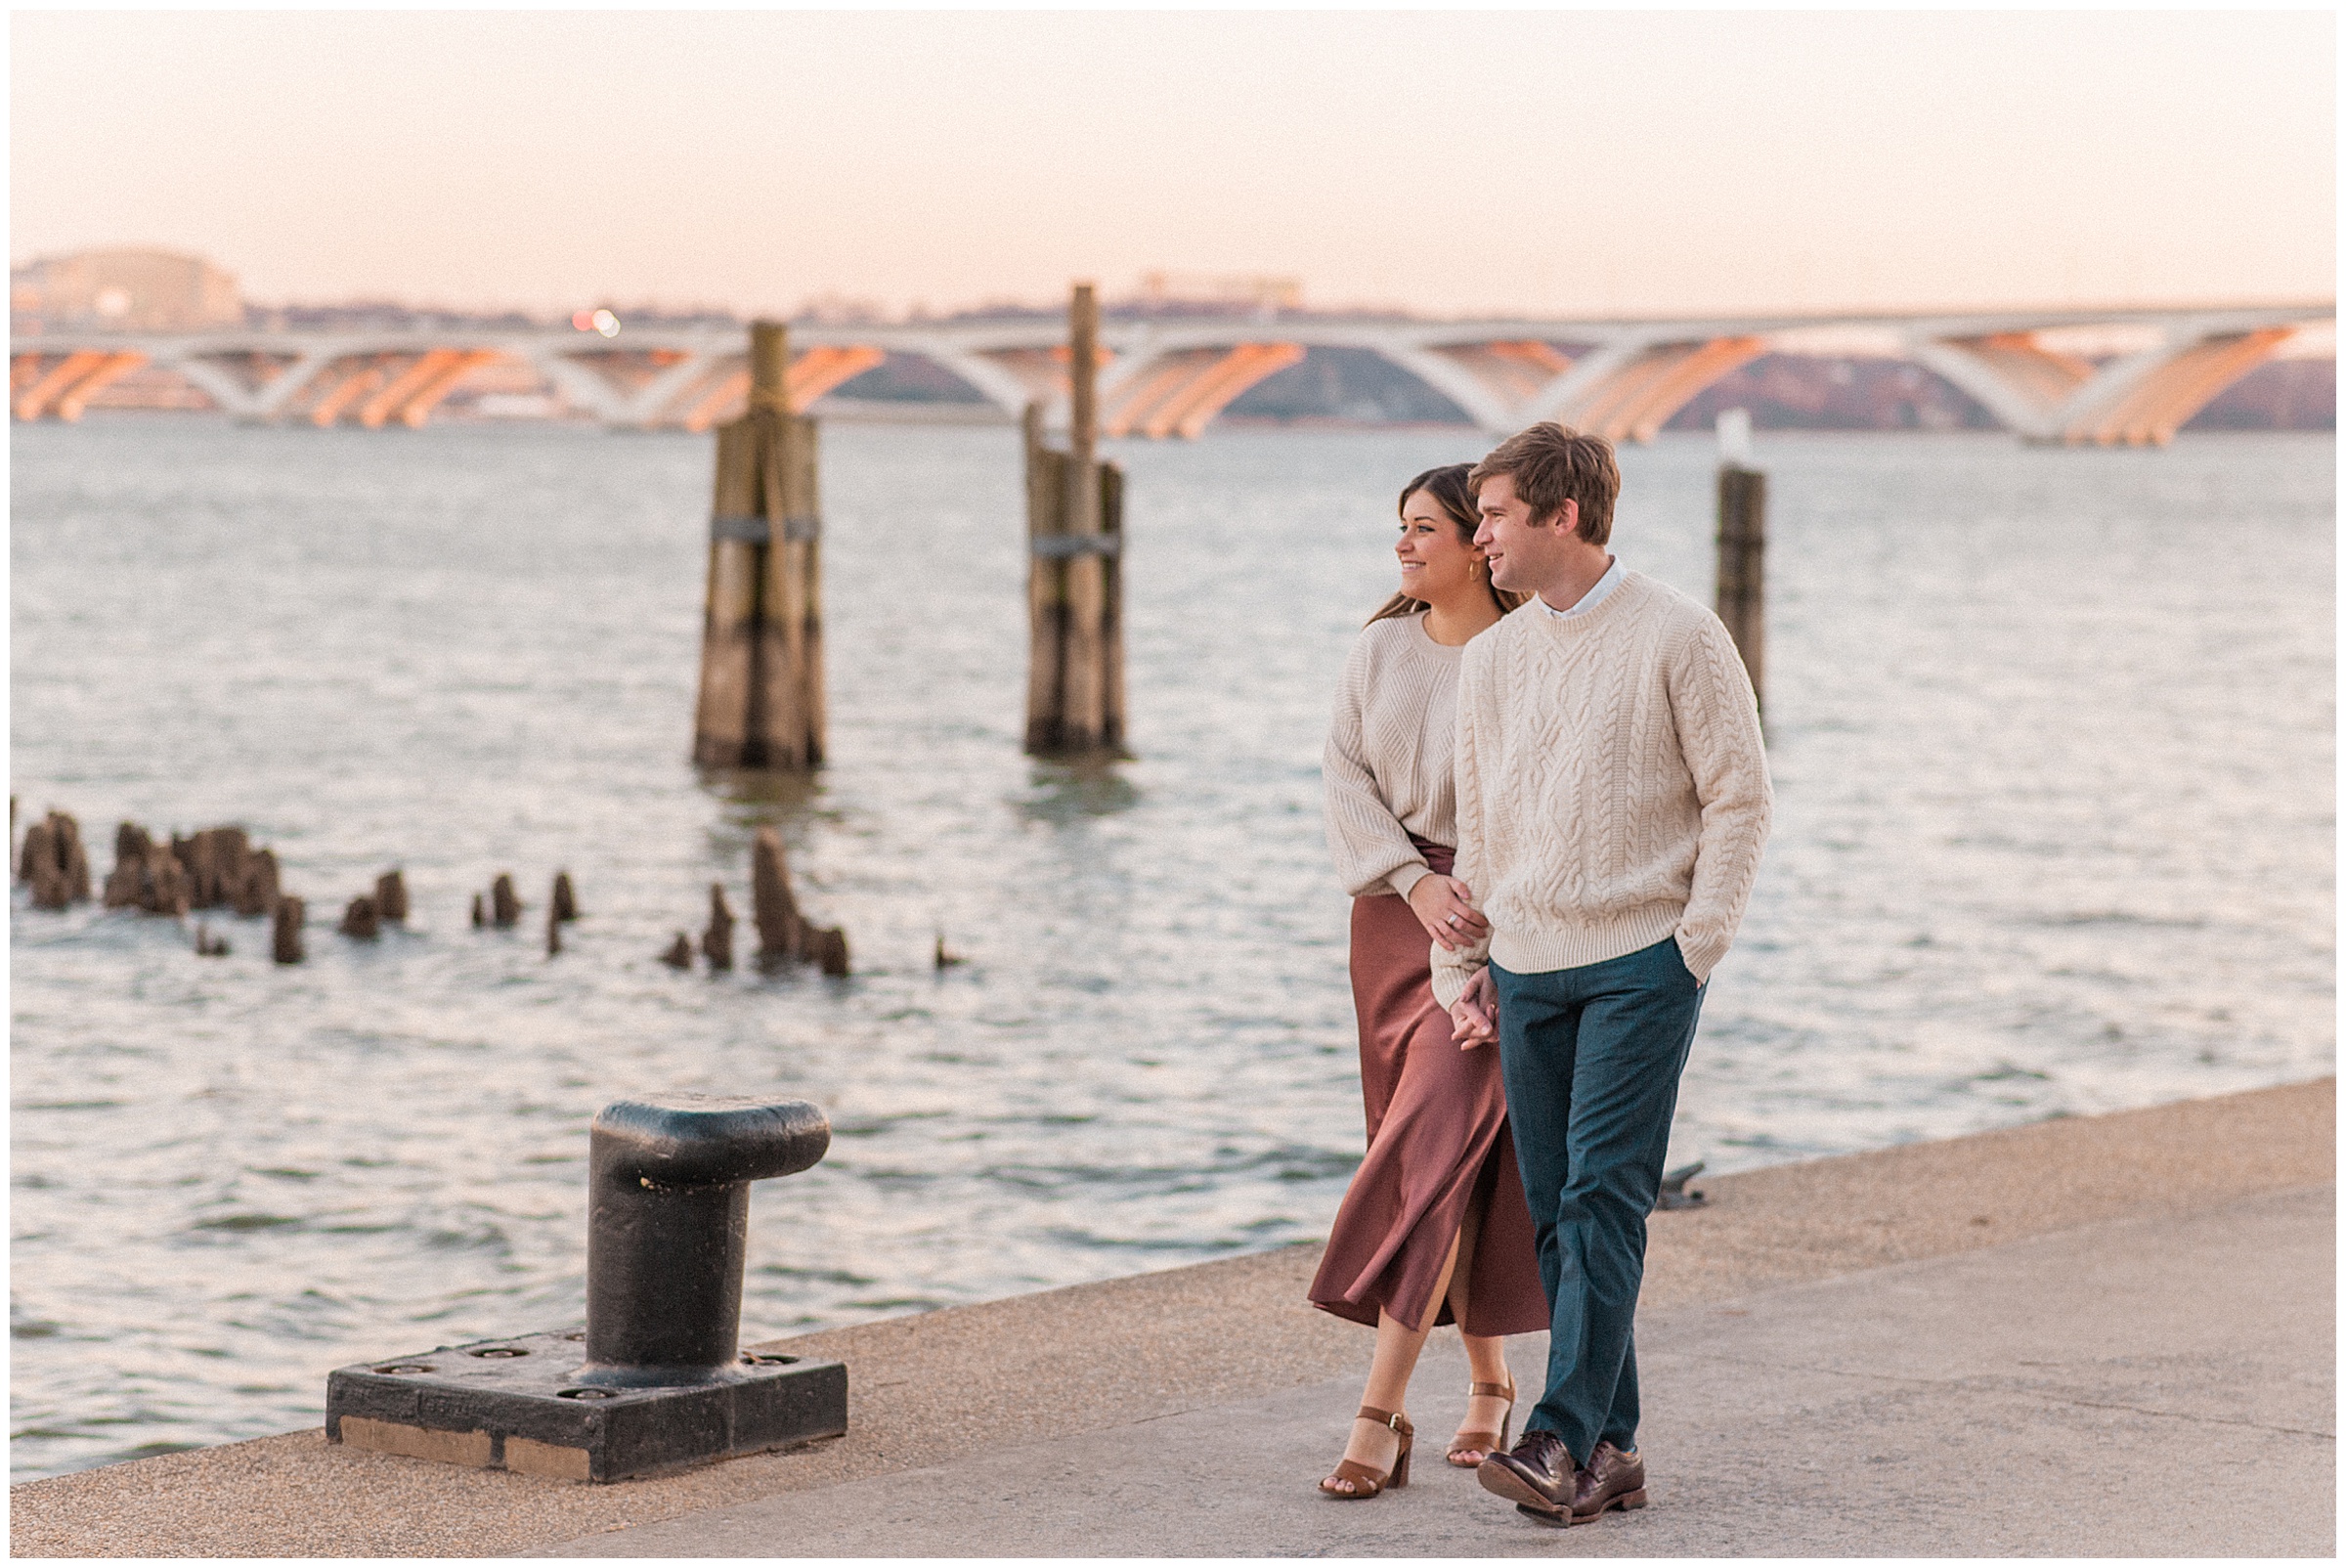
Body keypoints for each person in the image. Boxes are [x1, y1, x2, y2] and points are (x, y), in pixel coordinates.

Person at [1435, 424, 1771, 1526]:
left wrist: (1698, 943)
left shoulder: (1680, 632)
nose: (1477, 535)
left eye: (1493, 515)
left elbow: (1739, 795)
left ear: (1563, 515)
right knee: (1552, 1213)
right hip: (1528, 964)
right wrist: (1466, 961)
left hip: (1642, 962)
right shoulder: (1489, 659)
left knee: (1600, 1196)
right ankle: (1613, 1447)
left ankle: (1556, 1434)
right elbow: (1480, 825)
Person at [1309, 464, 1549, 1501]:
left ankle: (1379, 1411)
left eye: (1423, 528)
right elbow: (1343, 777)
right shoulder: (1378, 650)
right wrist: (1411, 883)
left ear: (1473, 547)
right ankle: (1491, 1383)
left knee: (1435, 1147)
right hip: (1390, 925)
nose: (1403, 546)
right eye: (1398, 528)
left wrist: (1477, 909)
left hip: (1489, 925)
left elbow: (1544, 799)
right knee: (1438, 1161)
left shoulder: (1530, 654)